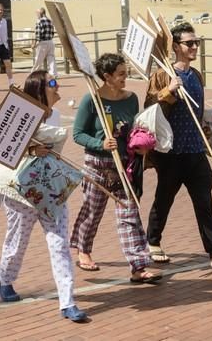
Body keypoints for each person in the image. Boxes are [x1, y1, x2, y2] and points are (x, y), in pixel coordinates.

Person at [0, 71, 88, 323]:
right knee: (17, 241)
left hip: (50, 190)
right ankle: (5, 280)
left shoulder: (54, 115)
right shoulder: (17, 113)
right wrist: (31, 148)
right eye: (52, 82)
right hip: (21, 189)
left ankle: (67, 301)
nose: (57, 85)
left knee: (59, 244)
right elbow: (0, 144)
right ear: (39, 89)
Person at [144, 22, 212, 270]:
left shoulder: (196, 76)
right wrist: (169, 91)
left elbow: (196, 108)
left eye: (197, 42)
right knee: (164, 198)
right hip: (171, 151)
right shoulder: (162, 75)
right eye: (190, 43)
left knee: (204, 201)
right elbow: (150, 109)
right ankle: (153, 241)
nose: (195, 47)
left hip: (195, 149)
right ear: (175, 47)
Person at [70, 53, 160, 283]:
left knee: (129, 212)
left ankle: (138, 265)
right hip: (97, 165)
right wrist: (99, 143)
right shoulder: (92, 100)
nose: (125, 77)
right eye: (120, 74)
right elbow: (78, 134)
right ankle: (83, 250)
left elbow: (133, 128)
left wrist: (140, 142)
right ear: (107, 76)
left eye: (125, 72)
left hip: (124, 165)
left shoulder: (131, 99)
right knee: (92, 211)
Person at [32, 8, 57, 76]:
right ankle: (53, 74)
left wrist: (34, 43)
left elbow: (38, 34)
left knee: (38, 59)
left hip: (42, 42)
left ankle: (34, 74)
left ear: (40, 13)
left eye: (37, 14)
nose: (37, 15)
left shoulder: (39, 21)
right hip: (50, 41)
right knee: (51, 58)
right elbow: (52, 32)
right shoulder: (50, 21)